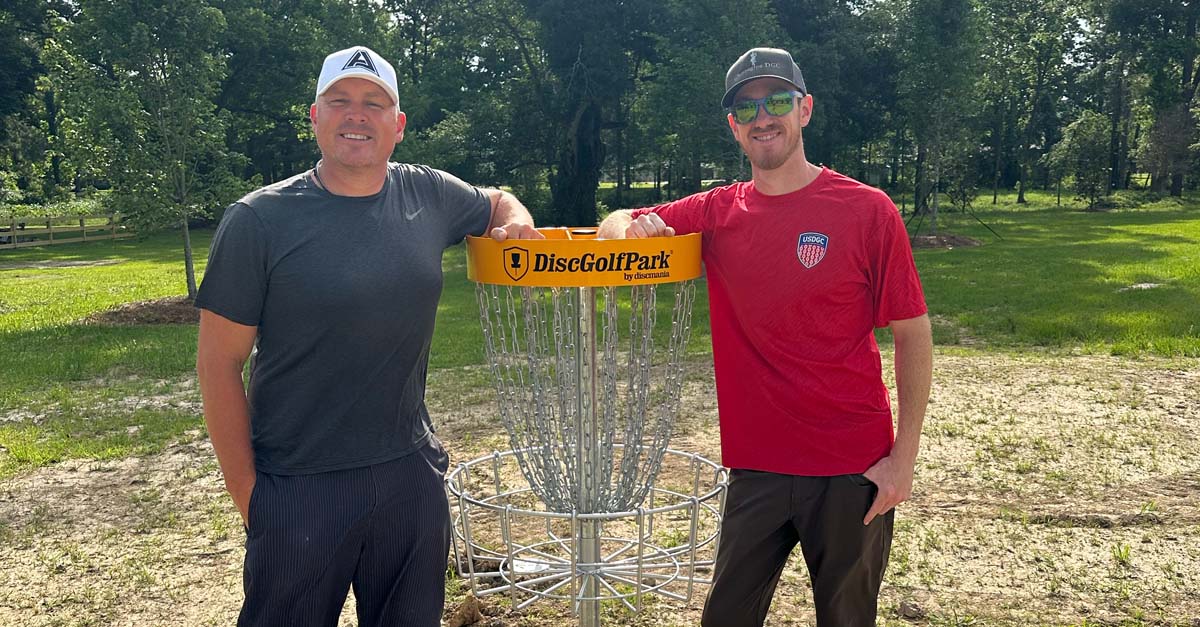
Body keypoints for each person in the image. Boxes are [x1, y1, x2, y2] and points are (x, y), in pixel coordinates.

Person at [195, 45, 541, 627]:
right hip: (297, 484)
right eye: (341, 101)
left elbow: (498, 200)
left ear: (398, 125)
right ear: (315, 116)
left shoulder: (426, 194)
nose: (357, 115)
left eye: (374, 104)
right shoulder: (258, 220)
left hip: (409, 476)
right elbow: (218, 364)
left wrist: (519, 222)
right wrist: (252, 497)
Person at [598, 47, 933, 626]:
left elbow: (913, 332)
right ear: (734, 126)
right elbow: (613, 225)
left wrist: (902, 460)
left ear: (804, 109)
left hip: (851, 466)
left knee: (848, 618)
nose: (763, 117)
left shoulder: (867, 211)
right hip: (758, 466)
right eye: (747, 107)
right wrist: (633, 227)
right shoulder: (718, 212)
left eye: (777, 100)